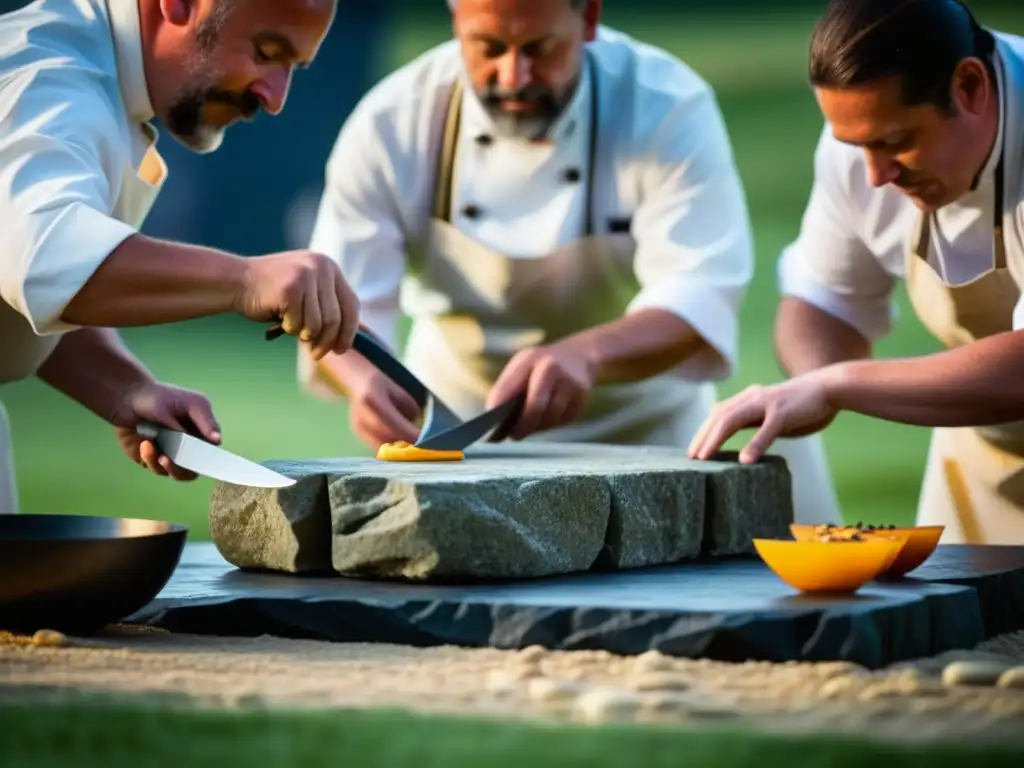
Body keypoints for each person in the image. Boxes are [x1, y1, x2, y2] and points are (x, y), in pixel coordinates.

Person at [298, 0, 843, 525]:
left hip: (648, 436)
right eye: (488, 46)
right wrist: (365, 383)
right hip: (458, 441)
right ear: (454, 19)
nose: (513, 75)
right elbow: (338, 302)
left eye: (540, 47)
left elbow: (699, 293)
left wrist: (587, 355)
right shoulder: (392, 121)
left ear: (589, 19)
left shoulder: (664, 104)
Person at [0, 0, 361, 512]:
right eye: (266, 52)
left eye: (292, 68)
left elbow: (16, 273)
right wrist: (246, 279)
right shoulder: (44, 79)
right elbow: (47, 260)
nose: (276, 98)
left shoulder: (90, 71)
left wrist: (124, 390)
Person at [688, 0, 1024, 544]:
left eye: (896, 142)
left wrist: (834, 385)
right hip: (980, 458)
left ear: (969, 86)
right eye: (857, 147)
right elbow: (820, 303)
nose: (874, 175)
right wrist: (807, 386)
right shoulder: (864, 134)